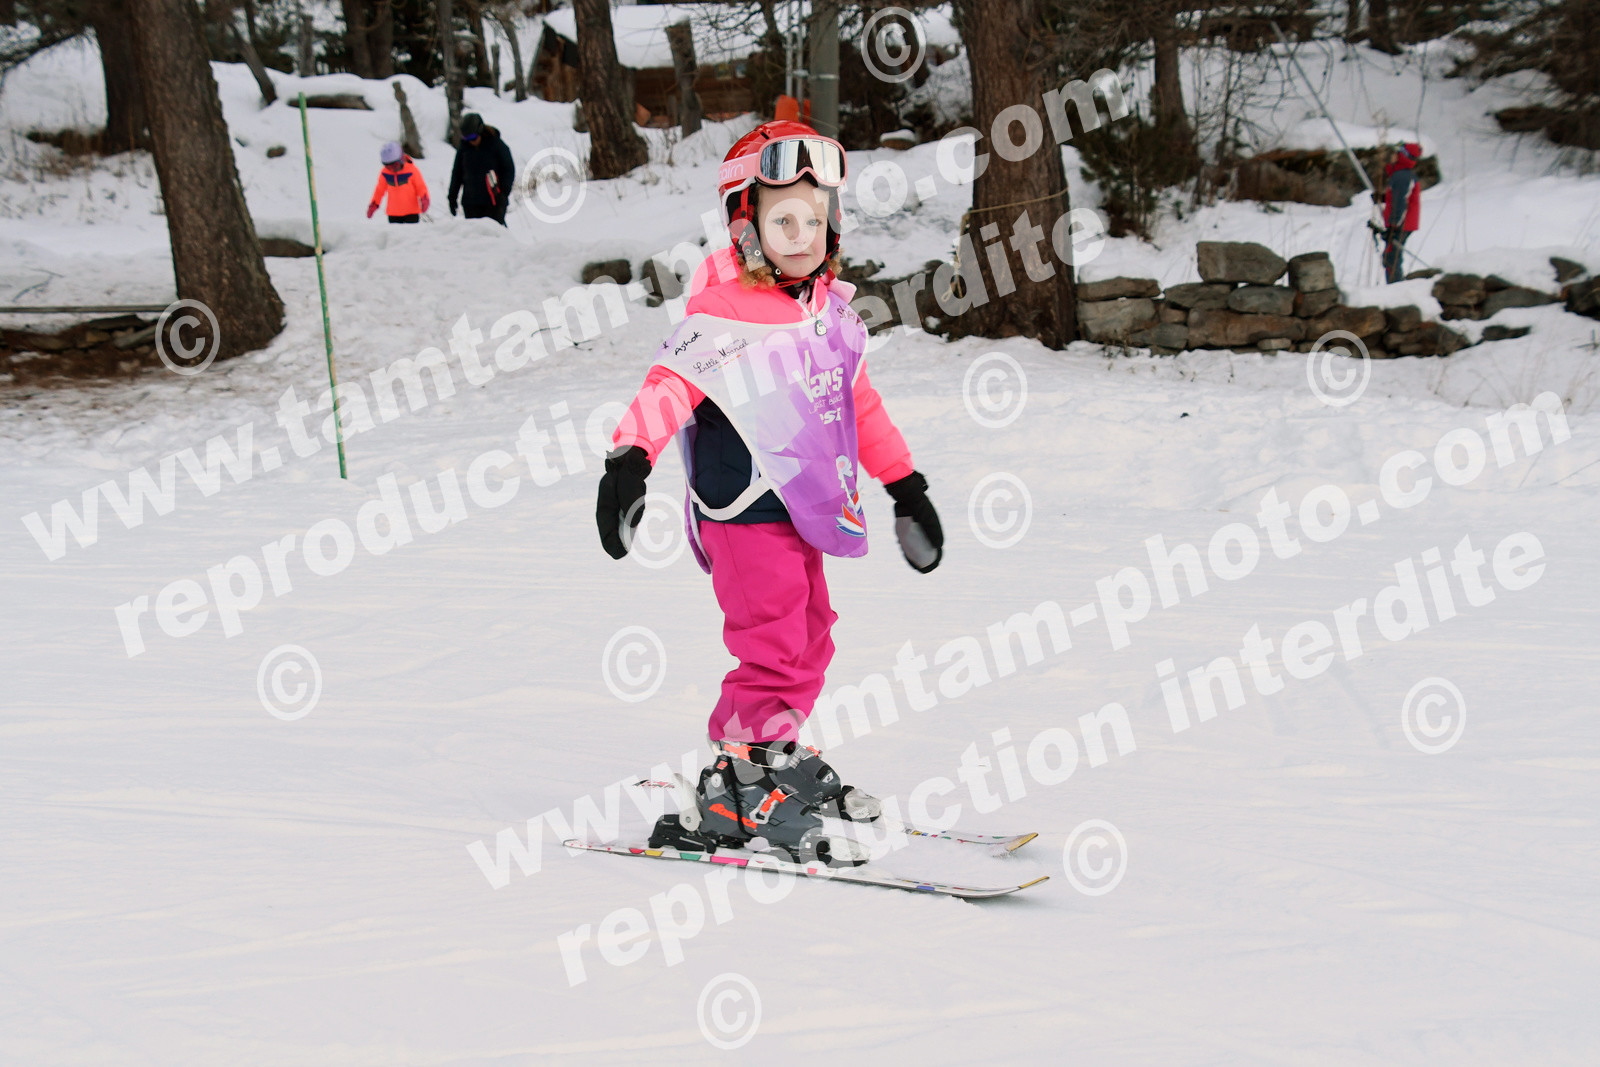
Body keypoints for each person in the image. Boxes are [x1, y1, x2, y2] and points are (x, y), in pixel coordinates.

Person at [594, 121, 944, 868]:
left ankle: (769, 757)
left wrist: (904, 485)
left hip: (802, 507)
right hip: (744, 509)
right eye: (784, 219)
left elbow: (859, 406)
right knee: (773, 644)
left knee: (812, 633)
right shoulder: (723, 314)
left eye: (815, 219)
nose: (802, 235)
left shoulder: (829, 314)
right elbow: (667, 389)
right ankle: (739, 787)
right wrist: (629, 462)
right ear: (744, 224)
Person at [448, 113, 514, 225]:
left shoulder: (496, 145)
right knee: (475, 234)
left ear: (480, 130)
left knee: (495, 233)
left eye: (473, 137)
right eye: (466, 138)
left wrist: (503, 193)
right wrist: (452, 197)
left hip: (494, 202)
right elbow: (457, 174)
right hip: (471, 203)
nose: (471, 141)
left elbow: (508, 170)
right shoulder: (464, 149)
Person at [1381, 141, 1423, 283]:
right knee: (1391, 256)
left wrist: (1393, 226)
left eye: (1396, 153)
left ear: (1402, 156)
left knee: (1391, 258)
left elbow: (1400, 202)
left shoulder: (1402, 176)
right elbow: (1397, 197)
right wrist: (1382, 198)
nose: (1392, 155)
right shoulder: (1401, 174)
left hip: (1401, 224)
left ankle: (1396, 288)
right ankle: (1395, 286)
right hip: (1402, 223)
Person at [366, 142, 429, 223]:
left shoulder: (412, 170)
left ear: (401, 159)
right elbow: (379, 190)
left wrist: (424, 198)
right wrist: (374, 204)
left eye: (395, 165)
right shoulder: (385, 173)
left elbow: (420, 187)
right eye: (388, 166)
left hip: (411, 213)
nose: (392, 169)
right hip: (393, 214)